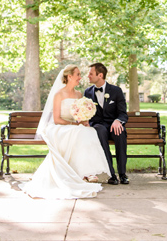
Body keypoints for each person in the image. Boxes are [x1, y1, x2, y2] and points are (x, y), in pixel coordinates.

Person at [21, 64, 110, 199]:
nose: (80, 77)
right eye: (78, 74)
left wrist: (84, 120)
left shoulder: (79, 94)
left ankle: (87, 172)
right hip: (59, 127)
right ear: (69, 76)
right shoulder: (59, 94)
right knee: (78, 132)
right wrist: (73, 124)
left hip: (73, 126)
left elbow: (79, 115)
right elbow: (56, 119)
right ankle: (78, 173)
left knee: (89, 131)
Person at [84, 62, 130, 185]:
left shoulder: (116, 91)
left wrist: (117, 121)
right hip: (99, 126)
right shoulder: (87, 92)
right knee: (99, 130)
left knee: (120, 133)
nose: (88, 76)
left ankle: (122, 174)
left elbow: (123, 113)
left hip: (114, 125)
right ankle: (111, 174)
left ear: (100, 75)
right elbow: (87, 114)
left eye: (91, 73)